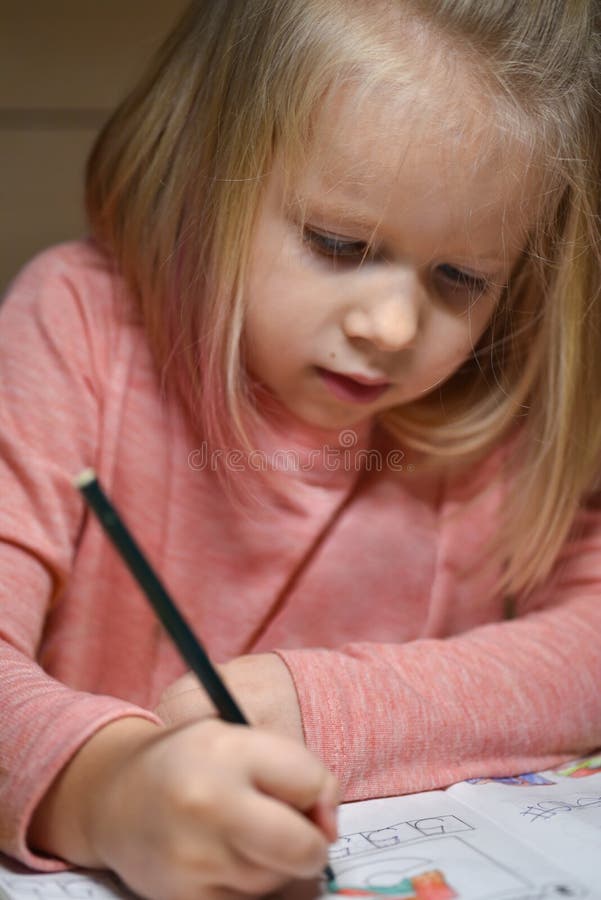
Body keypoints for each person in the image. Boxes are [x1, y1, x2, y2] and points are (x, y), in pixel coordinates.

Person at [1, 1, 600, 898]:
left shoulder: (486, 405)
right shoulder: (78, 329)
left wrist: (331, 713)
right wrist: (110, 788)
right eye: (338, 243)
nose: (393, 327)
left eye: (460, 279)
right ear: (201, 175)